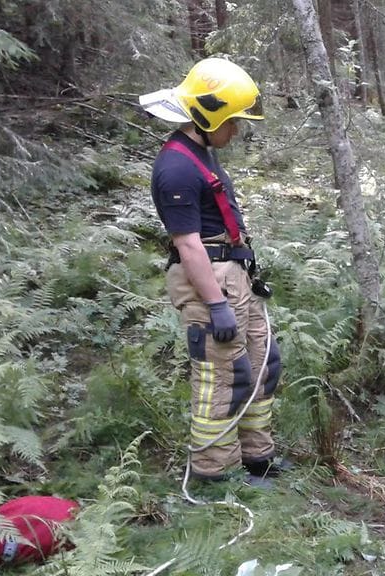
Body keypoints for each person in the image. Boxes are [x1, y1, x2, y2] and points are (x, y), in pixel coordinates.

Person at [140, 58, 283, 484]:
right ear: (209, 114)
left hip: (232, 272)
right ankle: (214, 473)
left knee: (262, 362)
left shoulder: (200, 153)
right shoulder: (176, 168)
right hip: (209, 280)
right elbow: (187, 244)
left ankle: (258, 457)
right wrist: (216, 304)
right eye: (232, 121)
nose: (235, 131)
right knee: (223, 374)